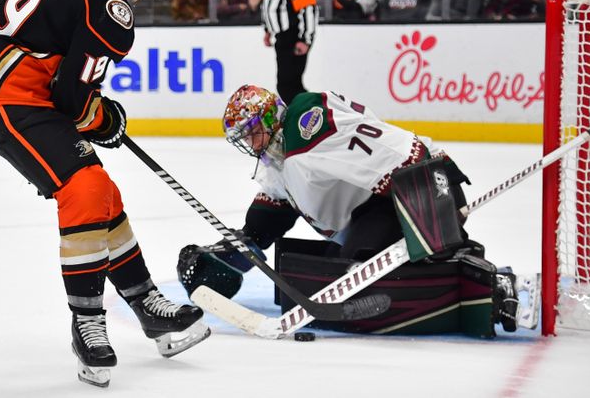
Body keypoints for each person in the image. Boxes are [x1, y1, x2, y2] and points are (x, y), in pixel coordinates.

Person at [0, 0, 209, 387]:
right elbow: (74, 103)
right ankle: (87, 322)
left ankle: (146, 303)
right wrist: (106, 119)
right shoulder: (110, 15)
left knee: (103, 194)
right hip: (1, 95)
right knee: (85, 189)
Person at [176, 85, 529, 338]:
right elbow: (263, 226)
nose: (248, 144)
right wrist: (226, 256)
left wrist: (430, 193)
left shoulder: (303, 125)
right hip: (378, 205)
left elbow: (377, 145)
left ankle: (492, 281)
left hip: (416, 185)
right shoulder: (280, 164)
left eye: (250, 132)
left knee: (363, 265)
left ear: (270, 118)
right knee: (344, 265)